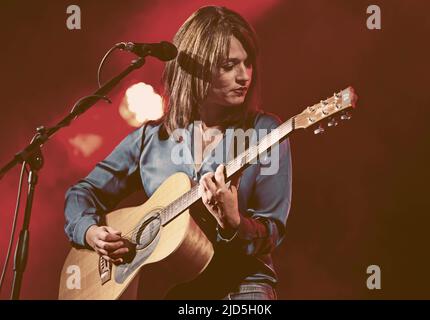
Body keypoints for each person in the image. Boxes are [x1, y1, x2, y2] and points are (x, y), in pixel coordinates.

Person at [64, 5, 292, 300]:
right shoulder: (151, 139)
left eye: (247, 63)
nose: (244, 76)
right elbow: (82, 193)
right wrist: (90, 232)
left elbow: (272, 229)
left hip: (241, 288)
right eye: (229, 65)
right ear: (195, 69)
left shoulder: (265, 132)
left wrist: (234, 223)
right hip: (169, 290)